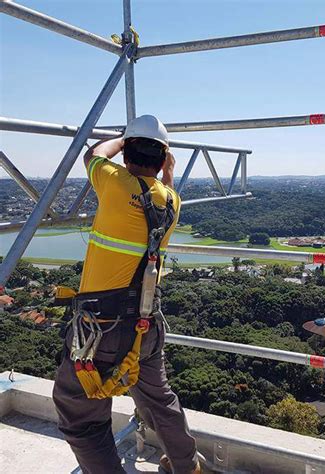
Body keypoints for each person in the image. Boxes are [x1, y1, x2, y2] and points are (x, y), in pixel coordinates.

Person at [53, 115, 200, 474]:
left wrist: (121, 137)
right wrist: (165, 169)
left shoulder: (115, 182)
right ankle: (186, 466)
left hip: (101, 327)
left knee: (80, 412)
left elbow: (92, 155)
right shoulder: (172, 202)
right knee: (158, 400)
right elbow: (162, 191)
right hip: (146, 324)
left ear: (127, 154)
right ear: (164, 160)